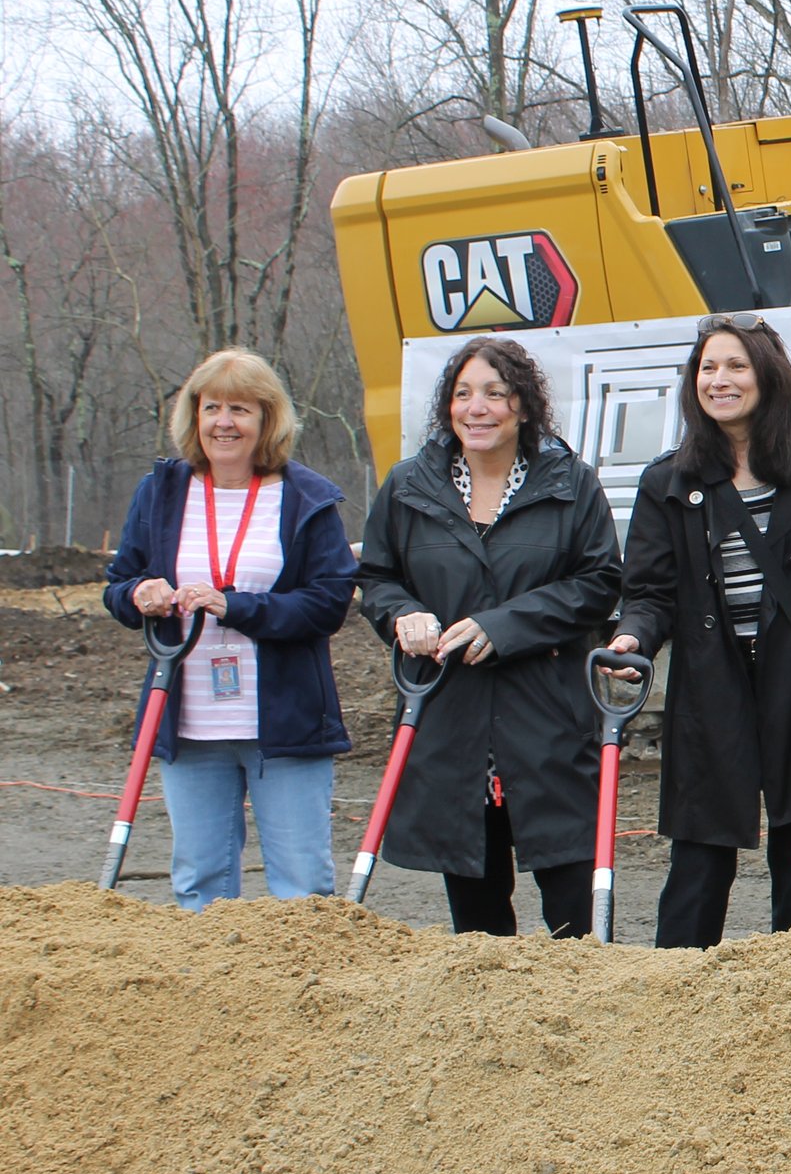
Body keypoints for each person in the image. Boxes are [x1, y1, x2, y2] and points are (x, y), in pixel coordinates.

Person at [609, 313, 791, 947]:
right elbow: (647, 591)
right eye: (707, 367)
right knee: (699, 862)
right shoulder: (667, 481)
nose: (719, 379)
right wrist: (632, 639)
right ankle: (674, 989)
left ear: (767, 376)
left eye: (736, 366)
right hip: (709, 688)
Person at [357, 336, 624, 938]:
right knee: (477, 929)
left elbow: (600, 582)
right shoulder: (408, 486)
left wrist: (505, 626)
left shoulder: (570, 483)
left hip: (548, 719)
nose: (476, 408)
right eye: (462, 394)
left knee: (573, 915)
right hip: (452, 725)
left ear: (523, 407)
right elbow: (376, 577)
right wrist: (402, 614)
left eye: (495, 394)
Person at [102, 350, 357, 910]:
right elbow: (119, 582)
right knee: (199, 885)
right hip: (189, 718)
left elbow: (327, 604)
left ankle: (303, 993)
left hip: (285, 720)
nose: (224, 422)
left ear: (267, 420)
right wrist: (140, 594)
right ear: (193, 417)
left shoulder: (305, 498)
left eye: (240, 408)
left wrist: (235, 606)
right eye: (211, 406)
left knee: (303, 889)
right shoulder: (162, 492)